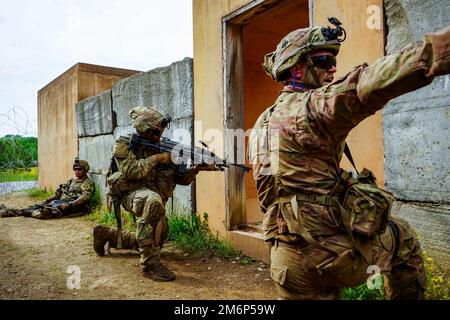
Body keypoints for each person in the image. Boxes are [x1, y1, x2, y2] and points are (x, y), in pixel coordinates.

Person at [247, 19, 450, 299]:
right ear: (296, 68)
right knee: (403, 237)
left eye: (334, 61)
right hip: (331, 256)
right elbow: (364, 84)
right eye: (324, 60)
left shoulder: (261, 122)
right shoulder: (313, 107)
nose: (333, 68)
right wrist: (435, 51)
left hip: (286, 262)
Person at [93, 106, 217, 282]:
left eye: (160, 132)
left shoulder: (165, 146)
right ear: (143, 129)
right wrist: (158, 158)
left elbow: (181, 179)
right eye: (154, 133)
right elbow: (131, 171)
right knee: (153, 202)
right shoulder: (124, 143)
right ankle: (149, 267)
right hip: (131, 193)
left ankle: (106, 234)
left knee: (158, 235)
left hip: (153, 196)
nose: (158, 137)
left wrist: (196, 168)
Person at [0, 158, 95, 219]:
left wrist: (70, 204)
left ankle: (18, 212)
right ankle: (9, 211)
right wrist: (46, 200)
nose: (77, 171)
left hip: (74, 206)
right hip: (61, 203)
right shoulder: (72, 181)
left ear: (85, 169)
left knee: (45, 213)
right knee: (38, 206)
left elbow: (85, 197)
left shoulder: (87, 182)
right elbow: (58, 193)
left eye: (80, 169)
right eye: (75, 169)